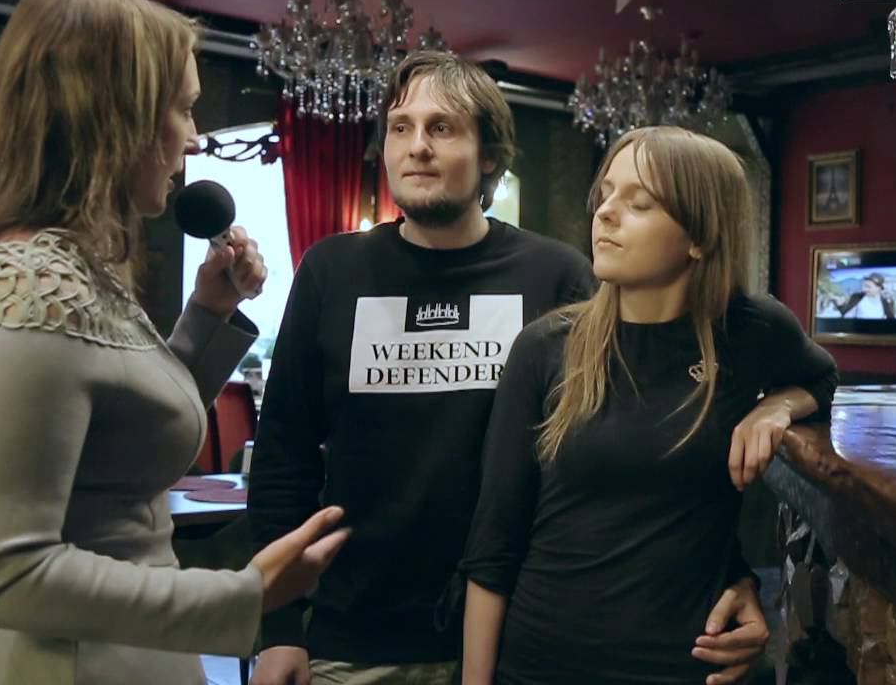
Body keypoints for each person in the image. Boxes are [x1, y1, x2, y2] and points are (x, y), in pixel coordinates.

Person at [247, 52, 772, 685]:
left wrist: (733, 573)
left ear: (490, 156)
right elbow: (283, 460)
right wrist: (279, 628)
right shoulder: (332, 271)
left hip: (522, 636)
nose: (417, 146)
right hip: (355, 637)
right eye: (401, 127)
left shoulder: (555, 275)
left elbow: (648, 449)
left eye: (443, 127)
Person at [0, 0, 348, 684]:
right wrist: (246, 594)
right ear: (116, 117)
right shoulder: (28, 290)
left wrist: (208, 314)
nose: (194, 139)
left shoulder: (73, 266)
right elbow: (4, 575)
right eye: (185, 110)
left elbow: (122, 438)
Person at [460, 126, 839, 685]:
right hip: (543, 660)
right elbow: (493, 546)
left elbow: (823, 378)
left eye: (639, 203)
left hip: (689, 663)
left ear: (699, 237)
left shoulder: (751, 330)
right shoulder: (545, 347)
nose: (606, 213)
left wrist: (776, 407)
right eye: (606, 194)